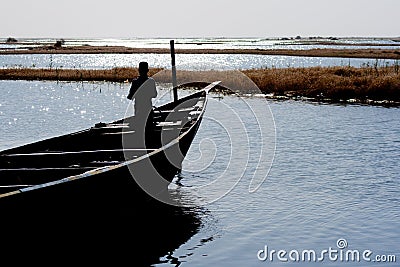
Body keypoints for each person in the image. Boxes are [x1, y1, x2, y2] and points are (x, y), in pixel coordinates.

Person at [127, 62, 158, 131]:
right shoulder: (151, 81)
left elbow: (130, 97)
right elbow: (154, 95)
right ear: (147, 71)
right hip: (148, 109)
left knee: (139, 127)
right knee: (149, 127)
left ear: (139, 70)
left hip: (138, 110)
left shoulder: (135, 82)